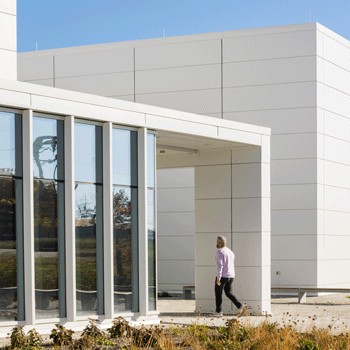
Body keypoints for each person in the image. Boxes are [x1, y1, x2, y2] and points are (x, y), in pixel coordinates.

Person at [214, 236, 247, 317]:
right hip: (231, 276)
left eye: (217, 242)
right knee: (228, 293)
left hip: (223, 276)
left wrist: (218, 278)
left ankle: (218, 312)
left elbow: (220, 266)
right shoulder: (230, 252)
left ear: (219, 242)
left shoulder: (220, 252)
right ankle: (240, 306)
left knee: (218, 293)